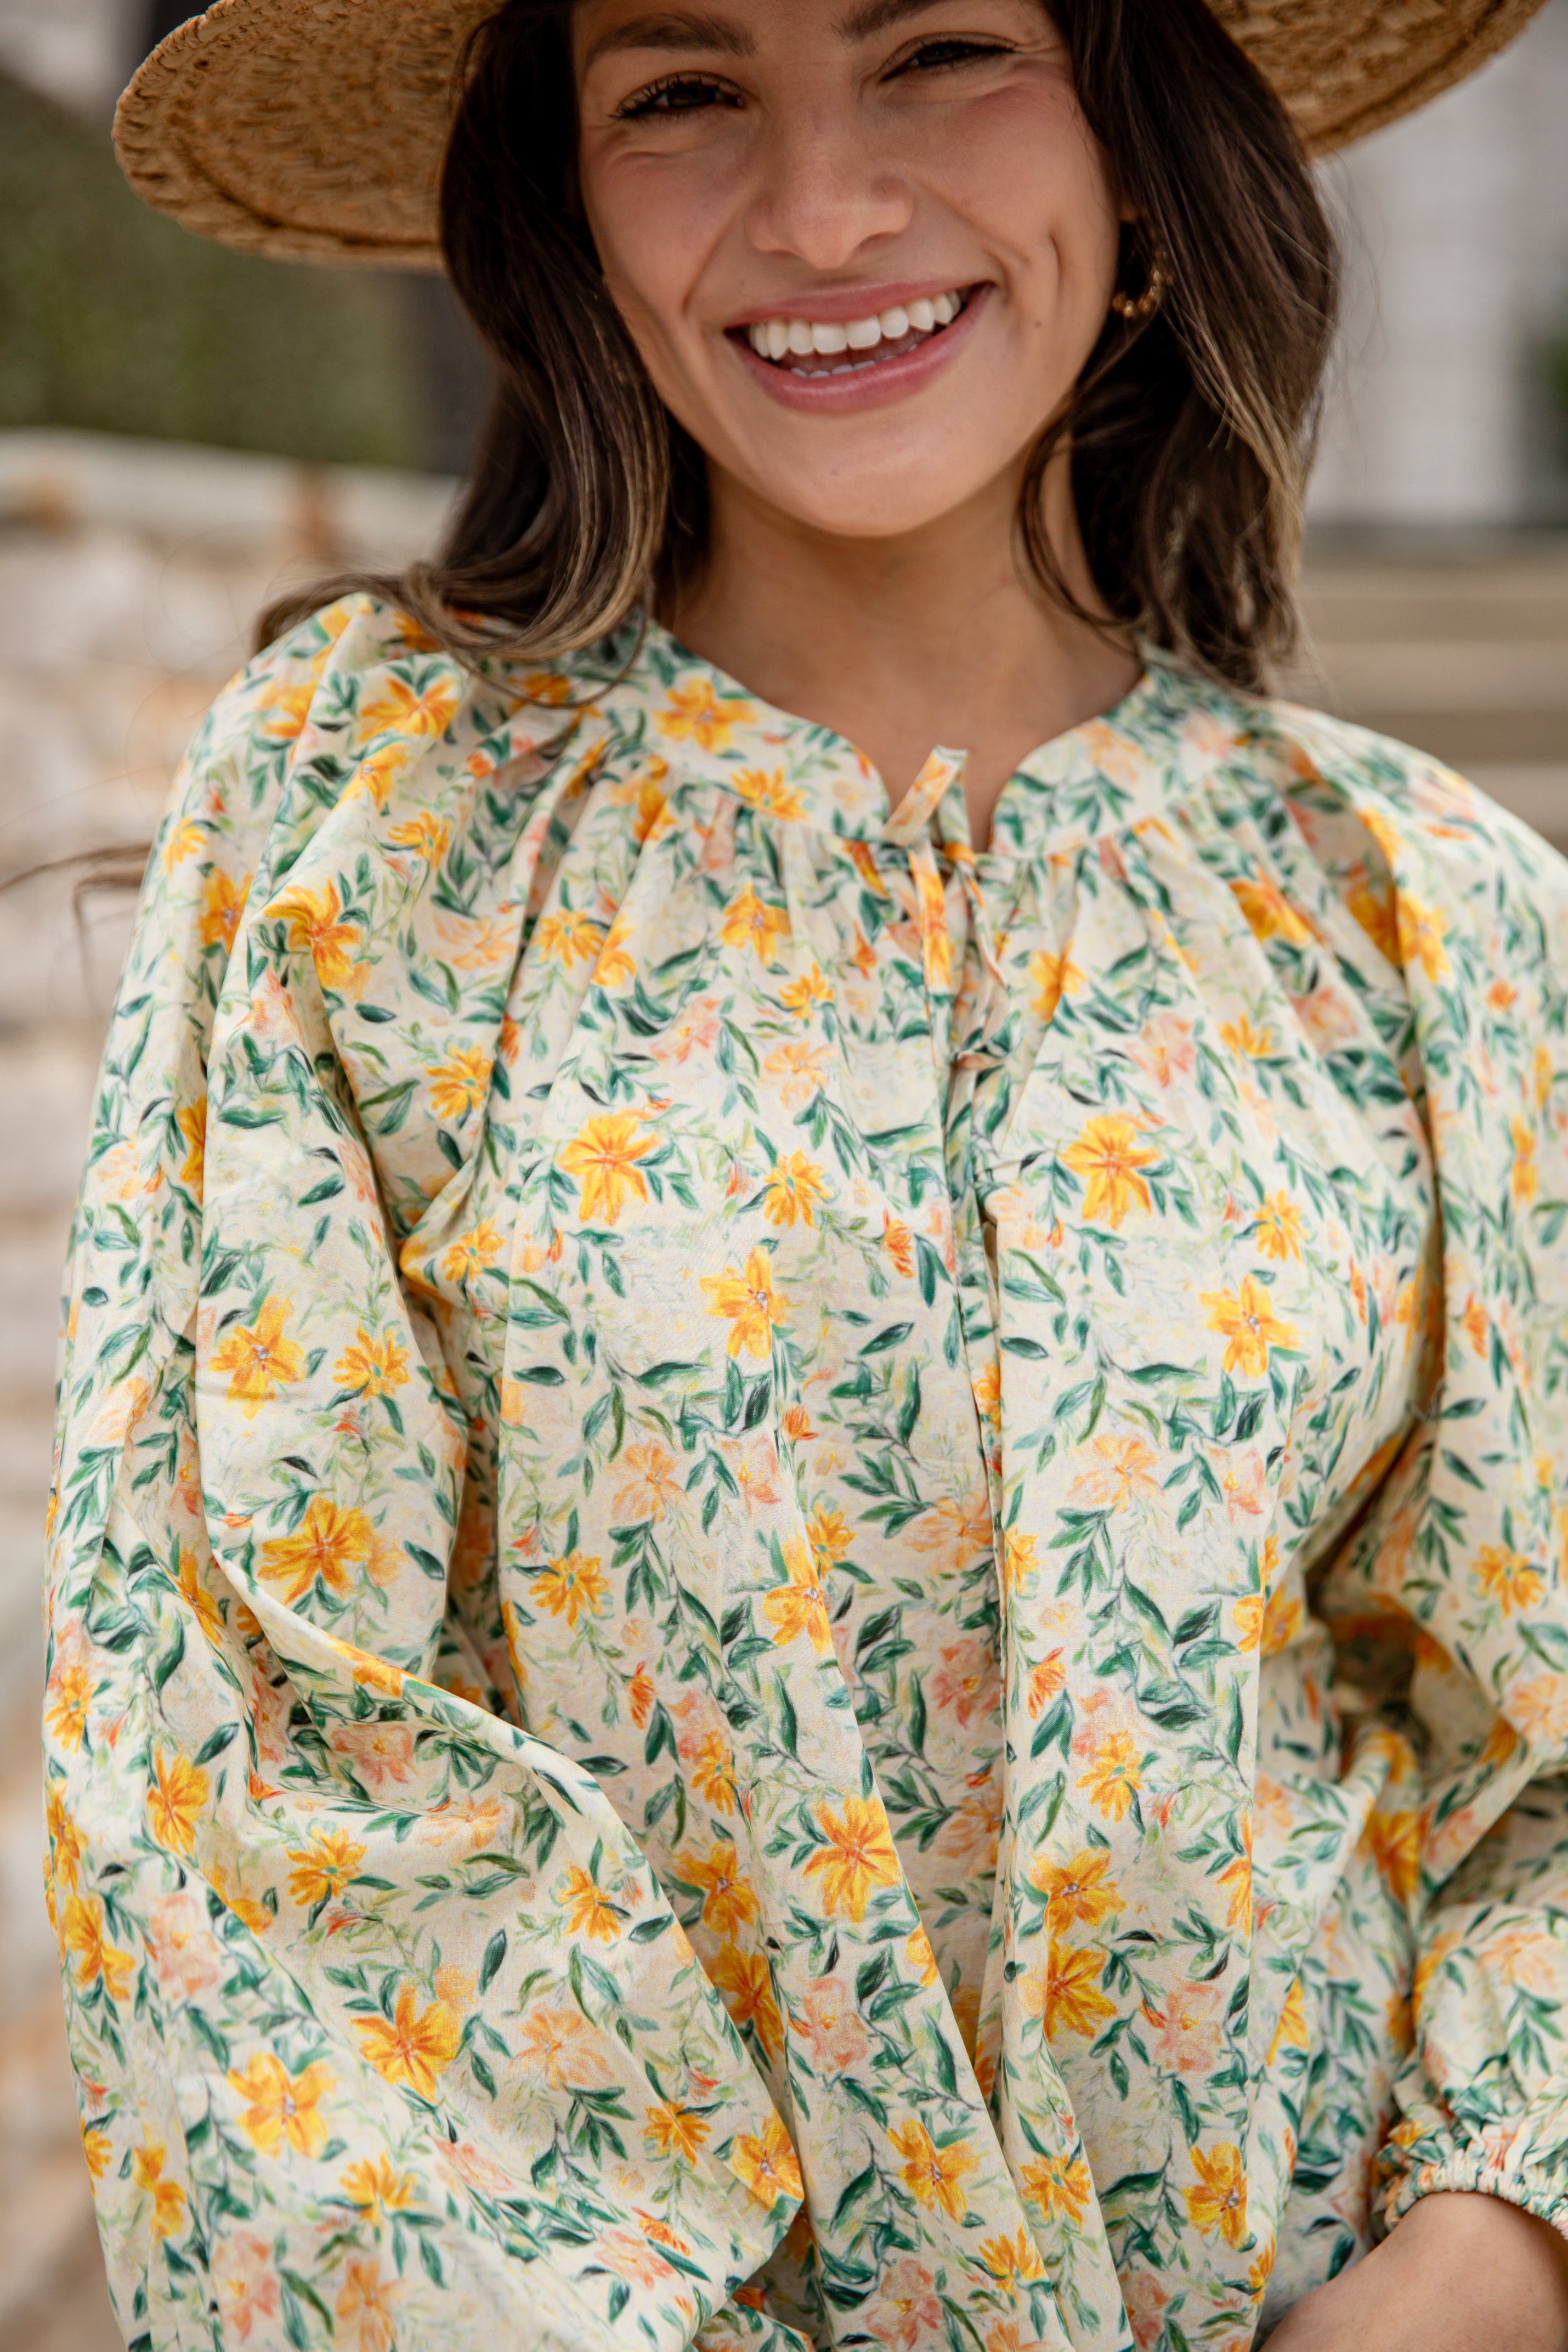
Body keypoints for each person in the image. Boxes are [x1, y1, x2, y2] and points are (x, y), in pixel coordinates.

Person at [47, 0, 1568, 2344]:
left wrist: (1483, 2255)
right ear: (562, 203)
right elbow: (240, 1752)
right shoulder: (364, 835)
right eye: (680, 91)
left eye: (943, 45)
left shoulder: (1415, 913)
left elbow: (1538, 1757)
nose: (824, 208)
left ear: (1145, 141)